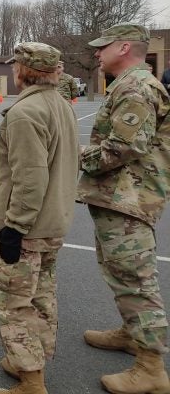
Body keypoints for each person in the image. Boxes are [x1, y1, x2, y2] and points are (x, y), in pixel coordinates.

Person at [78, 23, 170, 394]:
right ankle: (132, 334)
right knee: (121, 273)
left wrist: (80, 156)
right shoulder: (131, 85)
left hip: (129, 198)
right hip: (122, 197)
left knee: (135, 279)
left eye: (103, 47)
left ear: (125, 47)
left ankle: (151, 368)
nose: (97, 54)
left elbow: (122, 148)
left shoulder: (136, 88)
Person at [0, 42, 79, 394]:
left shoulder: (26, 113)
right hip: (53, 222)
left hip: (27, 228)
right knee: (41, 295)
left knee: (13, 301)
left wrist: (14, 227)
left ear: (23, 70)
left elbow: (30, 177)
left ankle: (31, 379)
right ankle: (30, 360)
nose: (13, 71)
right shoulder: (60, 105)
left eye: (15, 66)